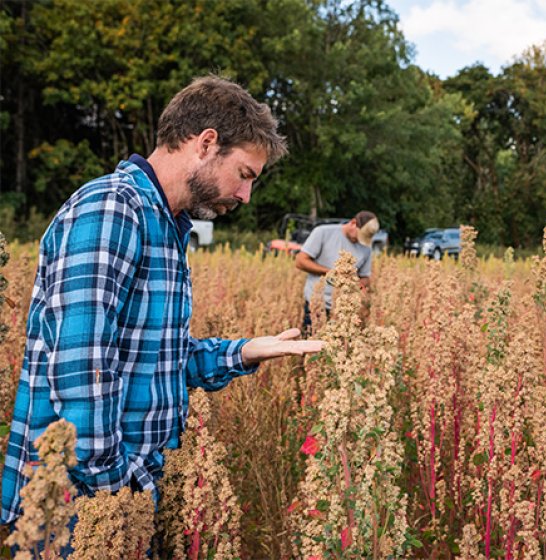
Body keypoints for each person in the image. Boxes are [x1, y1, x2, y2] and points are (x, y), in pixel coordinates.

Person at [0, 76, 324, 546]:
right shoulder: (112, 209)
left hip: (124, 498)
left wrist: (245, 352)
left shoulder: (166, 225)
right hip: (76, 511)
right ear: (206, 144)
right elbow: (81, 371)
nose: (245, 195)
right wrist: (119, 495)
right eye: (245, 174)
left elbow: (154, 358)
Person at [294, 211, 379, 332]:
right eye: (358, 236)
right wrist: (331, 272)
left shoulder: (366, 248)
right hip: (316, 303)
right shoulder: (323, 232)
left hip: (343, 309)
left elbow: (365, 278)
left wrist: (353, 285)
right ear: (353, 223)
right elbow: (300, 261)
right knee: (310, 342)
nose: (359, 241)